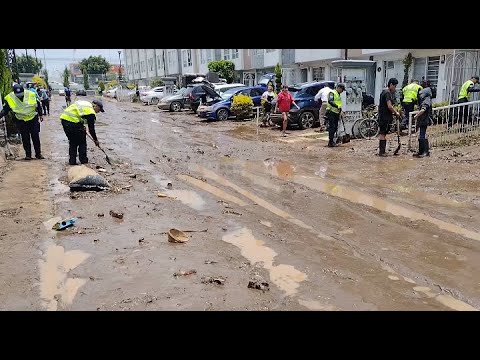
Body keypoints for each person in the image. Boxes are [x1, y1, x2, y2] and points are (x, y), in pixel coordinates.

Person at [0, 84, 44, 160]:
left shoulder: (30, 94)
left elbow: (38, 105)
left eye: (21, 94)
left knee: (35, 137)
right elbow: (5, 110)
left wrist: (41, 115)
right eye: (18, 94)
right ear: (14, 93)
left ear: (23, 91)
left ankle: (38, 154)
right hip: (21, 120)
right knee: (25, 137)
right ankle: (28, 155)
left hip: (32, 118)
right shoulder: (11, 98)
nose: (19, 96)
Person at [59, 99, 104, 165]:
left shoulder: (86, 105)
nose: (98, 112)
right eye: (99, 110)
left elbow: (78, 115)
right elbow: (91, 129)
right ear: (96, 106)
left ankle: (72, 161)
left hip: (64, 120)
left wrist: (81, 126)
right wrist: (96, 140)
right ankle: (83, 160)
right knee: (82, 141)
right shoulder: (91, 112)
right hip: (72, 122)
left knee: (72, 141)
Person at [378, 78, 400, 156]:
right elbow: (389, 106)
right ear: (391, 85)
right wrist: (396, 112)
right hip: (385, 117)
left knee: (382, 133)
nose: (395, 88)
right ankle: (382, 152)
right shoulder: (387, 93)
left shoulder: (383, 92)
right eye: (395, 86)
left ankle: (381, 151)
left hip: (382, 116)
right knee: (383, 134)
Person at [412, 87, 433, 158]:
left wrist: (416, 116)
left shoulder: (427, 100)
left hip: (424, 120)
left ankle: (425, 152)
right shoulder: (425, 99)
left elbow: (423, 109)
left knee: (422, 135)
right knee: (421, 135)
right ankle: (421, 151)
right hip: (422, 120)